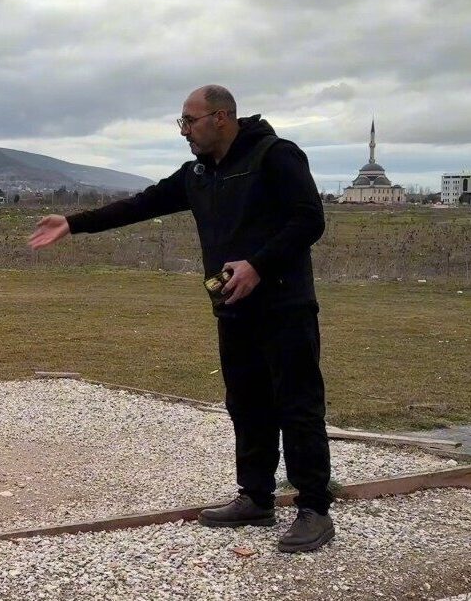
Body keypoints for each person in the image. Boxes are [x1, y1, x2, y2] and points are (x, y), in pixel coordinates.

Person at [29, 85, 334, 553]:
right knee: (246, 402)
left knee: (297, 404)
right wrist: (72, 222)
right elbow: (142, 204)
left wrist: (258, 264)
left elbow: (309, 219)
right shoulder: (198, 173)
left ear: (222, 117)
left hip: (284, 305)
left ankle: (314, 509)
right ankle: (255, 498)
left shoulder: (276, 155)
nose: (184, 131)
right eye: (182, 123)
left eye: (189, 121)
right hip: (233, 306)